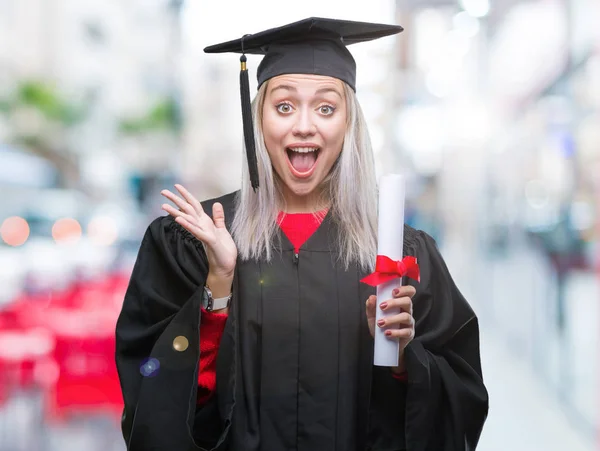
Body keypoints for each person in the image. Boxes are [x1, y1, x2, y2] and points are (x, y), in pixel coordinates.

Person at [115, 17, 488, 451]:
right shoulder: (193, 241)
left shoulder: (400, 256)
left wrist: (403, 358)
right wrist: (217, 290)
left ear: (349, 125)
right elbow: (152, 393)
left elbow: (461, 401)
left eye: (326, 108)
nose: (305, 126)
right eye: (285, 106)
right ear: (259, 121)